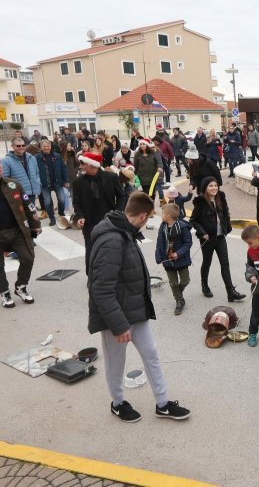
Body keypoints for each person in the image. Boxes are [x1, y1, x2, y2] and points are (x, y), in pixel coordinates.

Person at [87, 192, 190, 423]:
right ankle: (118, 403)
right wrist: (119, 325)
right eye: (149, 217)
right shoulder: (112, 240)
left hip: (136, 311)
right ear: (143, 215)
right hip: (118, 319)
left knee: (151, 354)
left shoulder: (125, 232)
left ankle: (163, 404)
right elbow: (101, 289)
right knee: (116, 363)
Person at [189, 177, 245, 302]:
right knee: (207, 262)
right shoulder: (200, 202)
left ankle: (231, 292)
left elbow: (226, 214)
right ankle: (204, 285)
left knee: (225, 264)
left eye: (215, 185)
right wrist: (202, 233)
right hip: (207, 239)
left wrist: (227, 227)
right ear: (205, 188)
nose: (214, 188)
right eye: (210, 186)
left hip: (220, 238)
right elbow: (193, 220)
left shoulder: (221, 198)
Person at [73, 152, 125, 274]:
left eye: (83, 164)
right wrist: (79, 216)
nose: (81, 166)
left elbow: (122, 197)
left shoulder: (111, 178)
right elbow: (76, 202)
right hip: (89, 223)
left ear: (91, 165)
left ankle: (113, 273)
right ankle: (91, 276)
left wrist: (116, 213)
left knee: (111, 249)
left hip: (109, 221)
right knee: (91, 251)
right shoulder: (78, 182)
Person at [0, 162, 40, 307]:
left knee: (28, 258)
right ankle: (4, 292)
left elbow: (28, 204)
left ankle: (20, 287)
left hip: (17, 230)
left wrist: (35, 224)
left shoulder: (13, 184)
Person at [155, 203, 193, 316]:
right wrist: (158, 257)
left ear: (168, 216)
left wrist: (178, 253)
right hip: (167, 260)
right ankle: (179, 302)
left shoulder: (183, 227)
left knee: (185, 280)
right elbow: (159, 243)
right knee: (173, 283)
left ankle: (177, 293)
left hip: (181, 259)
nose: (161, 215)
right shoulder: (162, 227)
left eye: (162, 213)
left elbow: (188, 243)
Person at [35, 140, 68, 226]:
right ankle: (52, 218)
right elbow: (34, 171)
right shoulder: (36, 158)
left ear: (51, 146)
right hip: (44, 184)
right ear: (41, 147)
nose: (46, 148)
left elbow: (63, 168)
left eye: (48, 146)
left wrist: (66, 180)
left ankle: (61, 213)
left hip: (57, 182)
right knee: (48, 202)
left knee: (62, 200)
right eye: (44, 146)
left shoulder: (57, 156)